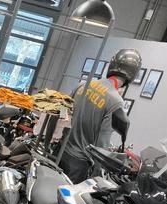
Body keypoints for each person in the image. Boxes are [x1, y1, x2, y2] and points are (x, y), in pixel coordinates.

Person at [60, 48, 142, 182]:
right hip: (78, 164)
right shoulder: (115, 101)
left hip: (60, 150)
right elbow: (101, 144)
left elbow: (62, 111)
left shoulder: (83, 84)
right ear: (132, 75)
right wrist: (97, 175)